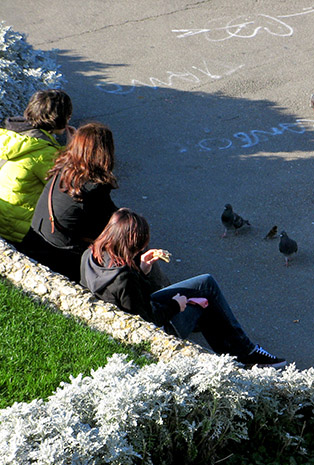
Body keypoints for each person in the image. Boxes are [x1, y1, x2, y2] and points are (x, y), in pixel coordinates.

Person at [80, 208, 287, 368]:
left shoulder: (90, 256)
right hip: (158, 329)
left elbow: (129, 301)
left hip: (128, 313)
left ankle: (238, 354)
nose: (140, 249)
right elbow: (148, 321)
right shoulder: (123, 277)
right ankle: (246, 353)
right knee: (206, 299)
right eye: (138, 246)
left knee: (205, 286)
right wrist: (177, 304)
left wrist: (141, 270)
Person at [20, 123, 118, 282]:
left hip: (34, 243)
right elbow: (108, 226)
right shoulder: (92, 188)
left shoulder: (62, 169)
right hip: (60, 259)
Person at [0, 89, 74, 245]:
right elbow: (67, 187)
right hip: (18, 230)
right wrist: (73, 149)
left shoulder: (9, 136)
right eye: (68, 116)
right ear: (59, 119)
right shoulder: (45, 152)